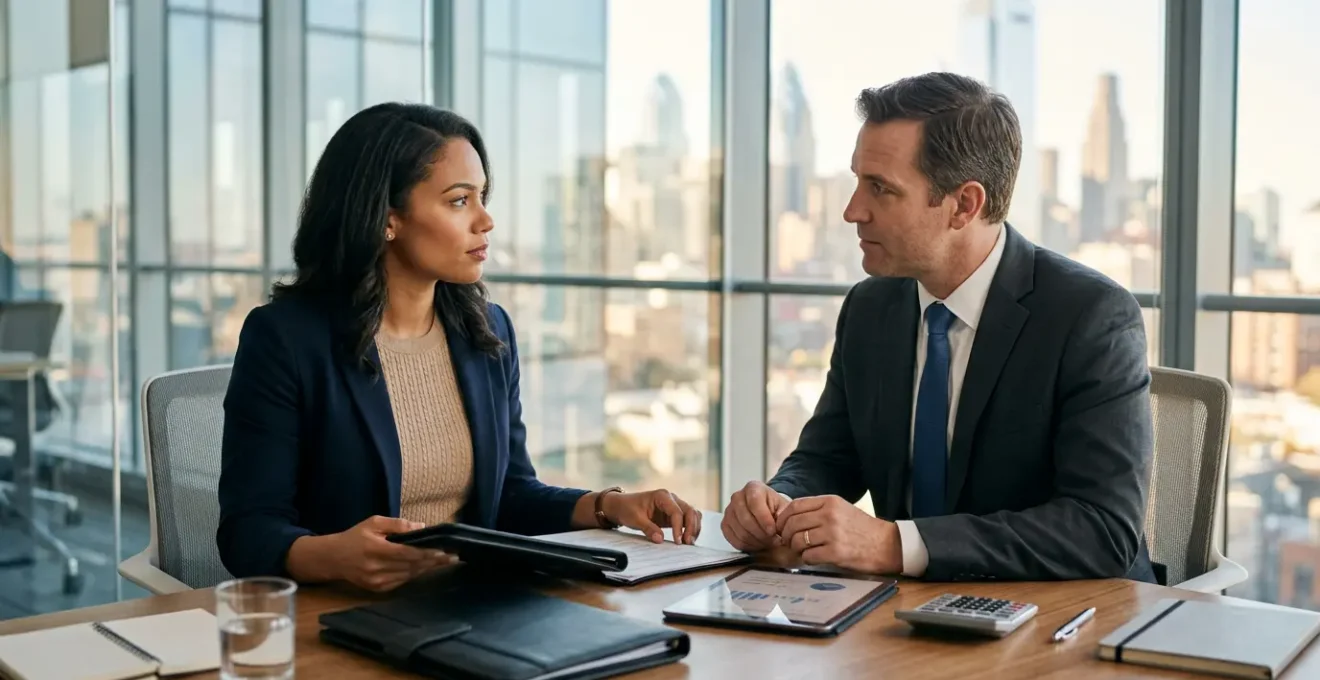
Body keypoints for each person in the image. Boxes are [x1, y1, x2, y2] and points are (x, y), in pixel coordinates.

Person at [218, 103, 701, 592]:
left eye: (482, 197)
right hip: (341, 613)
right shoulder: (285, 339)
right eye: (458, 200)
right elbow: (247, 530)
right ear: (388, 219)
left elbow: (509, 495)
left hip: (472, 605)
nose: (485, 220)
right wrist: (333, 556)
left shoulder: (487, 332)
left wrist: (607, 506)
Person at [722, 72, 1156, 583]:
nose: (851, 211)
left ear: (964, 205)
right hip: (903, 617)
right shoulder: (870, 307)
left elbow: (1102, 529)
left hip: (1062, 625)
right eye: (857, 180)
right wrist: (780, 505)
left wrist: (893, 543)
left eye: (880, 189)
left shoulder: (1091, 316)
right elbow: (828, 457)